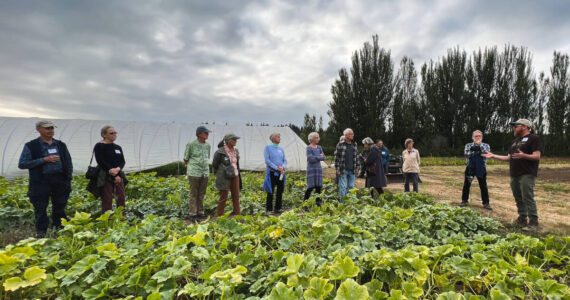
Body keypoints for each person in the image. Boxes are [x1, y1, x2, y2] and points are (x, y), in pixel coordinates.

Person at [483, 119, 542, 231]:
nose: (513, 128)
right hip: (514, 174)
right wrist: (493, 156)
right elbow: (509, 158)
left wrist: (524, 155)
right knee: (518, 197)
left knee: (527, 197)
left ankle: (534, 222)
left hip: (527, 173)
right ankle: (522, 217)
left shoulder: (534, 139)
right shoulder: (515, 141)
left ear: (524, 126)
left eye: (516, 126)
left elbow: (536, 156)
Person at [18, 120, 73, 238]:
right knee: (40, 207)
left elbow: (68, 162)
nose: (51, 131)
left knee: (60, 206)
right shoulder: (31, 145)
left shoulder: (60, 145)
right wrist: (44, 160)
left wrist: (68, 178)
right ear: (39, 129)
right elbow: (23, 163)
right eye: (47, 128)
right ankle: (41, 232)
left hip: (60, 180)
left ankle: (59, 228)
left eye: (52, 128)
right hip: (40, 181)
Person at [94, 126, 127, 215]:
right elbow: (100, 161)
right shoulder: (99, 146)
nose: (114, 135)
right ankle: (107, 220)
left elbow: (122, 161)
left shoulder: (118, 147)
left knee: (121, 197)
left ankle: (122, 218)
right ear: (104, 135)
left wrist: (118, 169)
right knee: (107, 198)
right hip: (105, 175)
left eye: (115, 133)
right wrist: (112, 171)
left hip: (118, 174)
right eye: (111, 133)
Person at [184, 126, 211, 222]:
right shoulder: (191, 144)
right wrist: (190, 168)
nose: (207, 135)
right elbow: (186, 158)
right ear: (199, 134)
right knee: (194, 193)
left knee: (201, 193)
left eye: (207, 133)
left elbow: (207, 158)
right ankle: (193, 213)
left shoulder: (208, 146)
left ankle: (200, 212)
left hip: (205, 172)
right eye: (206, 133)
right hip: (194, 172)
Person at [459, 130, 491, 210]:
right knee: (467, 184)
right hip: (470, 168)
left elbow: (486, 154)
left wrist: (478, 147)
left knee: (483, 185)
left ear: (482, 137)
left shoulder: (486, 145)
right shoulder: (468, 145)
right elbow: (467, 155)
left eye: (479, 136)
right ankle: (464, 201)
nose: (478, 137)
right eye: (476, 136)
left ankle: (486, 203)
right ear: (472, 137)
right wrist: (478, 150)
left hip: (481, 168)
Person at [212, 134, 241, 217]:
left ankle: (238, 214)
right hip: (224, 176)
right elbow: (215, 164)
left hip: (235, 175)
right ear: (228, 141)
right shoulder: (220, 152)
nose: (236, 141)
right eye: (234, 139)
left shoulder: (236, 151)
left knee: (236, 196)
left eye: (236, 139)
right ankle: (220, 215)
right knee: (223, 196)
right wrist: (223, 171)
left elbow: (237, 163)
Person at [263, 133, 288, 214]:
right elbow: (267, 161)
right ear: (273, 139)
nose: (279, 138)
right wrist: (277, 167)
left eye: (279, 137)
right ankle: (269, 209)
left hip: (281, 173)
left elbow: (285, 160)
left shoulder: (281, 149)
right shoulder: (268, 148)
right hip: (272, 172)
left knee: (280, 191)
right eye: (278, 137)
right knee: (271, 190)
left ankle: (278, 208)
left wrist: (282, 167)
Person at [334, 128, 358, 199]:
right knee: (343, 187)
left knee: (351, 187)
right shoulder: (340, 144)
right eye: (351, 134)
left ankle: (349, 203)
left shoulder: (354, 144)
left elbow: (356, 157)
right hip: (343, 170)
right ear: (346, 135)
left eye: (353, 134)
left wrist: (357, 168)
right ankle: (343, 204)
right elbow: (337, 158)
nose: (352, 135)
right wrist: (337, 169)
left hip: (352, 169)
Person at [304, 132, 325, 206]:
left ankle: (318, 202)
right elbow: (310, 159)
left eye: (318, 137)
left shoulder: (319, 147)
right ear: (311, 139)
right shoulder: (308, 148)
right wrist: (319, 156)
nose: (318, 139)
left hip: (318, 169)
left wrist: (316, 157)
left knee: (318, 187)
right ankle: (305, 203)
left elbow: (324, 157)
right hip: (311, 169)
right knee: (310, 187)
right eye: (316, 137)